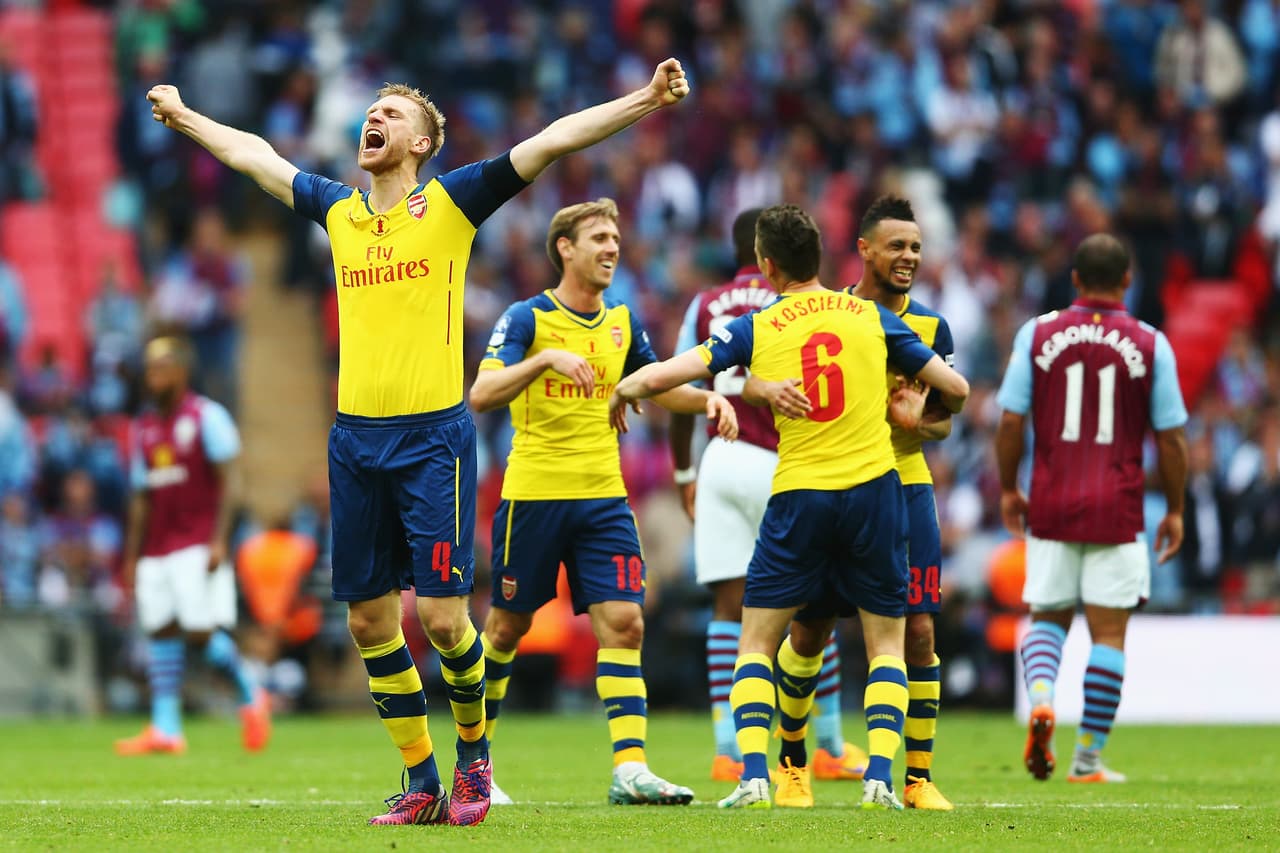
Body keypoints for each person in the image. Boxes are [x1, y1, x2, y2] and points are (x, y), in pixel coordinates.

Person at [145, 58, 691, 826]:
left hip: (432, 438)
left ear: (425, 142)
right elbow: (255, 156)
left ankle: (474, 757)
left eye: (394, 113)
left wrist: (644, 96)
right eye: (373, 110)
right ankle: (421, 778)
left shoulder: (450, 206)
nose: (377, 119)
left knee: (441, 618)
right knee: (369, 620)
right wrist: (185, 114)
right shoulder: (338, 212)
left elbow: (553, 140)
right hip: (355, 441)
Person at [610, 205, 970, 810]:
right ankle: (882, 777)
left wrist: (626, 385)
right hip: (875, 493)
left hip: (800, 492)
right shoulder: (870, 316)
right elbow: (956, 391)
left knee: (757, 641)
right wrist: (915, 413)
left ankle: (755, 774)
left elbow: (670, 374)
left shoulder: (759, 324)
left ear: (767, 265)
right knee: (886, 645)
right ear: (823, 258)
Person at [470, 198, 737, 806]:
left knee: (625, 622)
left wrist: (710, 401)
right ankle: (474, 764)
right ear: (565, 247)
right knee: (507, 628)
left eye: (615, 236)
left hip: (603, 498)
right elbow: (482, 393)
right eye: (598, 237)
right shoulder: (527, 317)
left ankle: (631, 768)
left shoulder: (621, 320)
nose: (612, 247)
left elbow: (655, 383)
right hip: (534, 494)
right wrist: (543, 360)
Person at [747, 196, 956, 809]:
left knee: (918, 632)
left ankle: (916, 778)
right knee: (809, 632)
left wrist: (922, 421)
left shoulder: (931, 328)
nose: (908, 258)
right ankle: (792, 764)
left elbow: (944, 419)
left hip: (905, 485)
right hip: (830, 485)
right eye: (897, 246)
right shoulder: (826, 312)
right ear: (863, 250)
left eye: (916, 248)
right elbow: (756, 379)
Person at [668, 207, 867, 784]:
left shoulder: (704, 304)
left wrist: (685, 476)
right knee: (814, 608)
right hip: (787, 465)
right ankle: (825, 743)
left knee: (729, 610)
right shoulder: (807, 305)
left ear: (754, 254)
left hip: (723, 463)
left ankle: (729, 749)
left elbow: (685, 382)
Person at [994, 233, 1188, 783]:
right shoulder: (1151, 343)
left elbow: (1009, 420)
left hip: (1052, 500)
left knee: (1047, 620)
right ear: (1128, 281)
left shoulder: (1037, 333)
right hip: (1118, 505)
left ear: (1074, 279)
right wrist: (1174, 508)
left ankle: (1039, 697)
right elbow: (1172, 437)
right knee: (1107, 634)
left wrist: (1010, 488)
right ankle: (1086, 759)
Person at [114, 336, 269, 757]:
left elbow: (230, 480)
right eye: (149, 370)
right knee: (161, 627)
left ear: (182, 371)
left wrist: (220, 538)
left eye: (161, 368)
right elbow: (141, 495)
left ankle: (251, 692)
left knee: (199, 631)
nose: (153, 377)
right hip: (157, 546)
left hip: (197, 541)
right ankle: (166, 728)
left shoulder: (207, 417)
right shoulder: (144, 427)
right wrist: (131, 555)